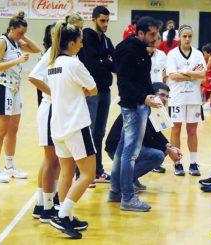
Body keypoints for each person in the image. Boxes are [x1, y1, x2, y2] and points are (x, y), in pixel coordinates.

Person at [29, 14, 85, 223]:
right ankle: (44, 205)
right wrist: (53, 92)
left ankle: (44, 203)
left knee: (57, 162)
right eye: (78, 29)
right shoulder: (53, 53)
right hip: (50, 108)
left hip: (60, 110)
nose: (81, 33)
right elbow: (33, 76)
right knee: (51, 160)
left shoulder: (71, 56)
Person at [46, 21, 97, 239]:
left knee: (67, 172)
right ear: (71, 42)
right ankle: (64, 215)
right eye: (79, 42)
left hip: (57, 126)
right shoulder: (74, 64)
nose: (82, 45)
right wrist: (82, 92)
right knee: (88, 173)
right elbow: (93, 89)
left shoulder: (53, 64)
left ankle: (64, 212)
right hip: (76, 125)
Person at [110, 16, 161, 212]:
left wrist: (151, 95)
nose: (155, 38)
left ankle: (115, 191)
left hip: (139, 105)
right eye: (152, 34)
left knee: (122, 152)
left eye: (156, 34)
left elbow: (143, 78)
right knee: (129, 155)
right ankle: (128, 197)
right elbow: (124, 84)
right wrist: (143, 98)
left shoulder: (141, 50)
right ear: (140, 33)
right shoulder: (129, 51)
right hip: (133, 107)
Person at [0, 11, 41, 183]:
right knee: (1, 130)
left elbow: (37, 49)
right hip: (3, 87)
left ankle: (9, 166)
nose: (22, 36)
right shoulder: (1, 42)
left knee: (13, 129)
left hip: (15, 88)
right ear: (11, 28)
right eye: (20, 32)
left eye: (24, 33)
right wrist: (16, 61)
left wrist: (23, 37)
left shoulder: (17, 42)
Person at [105, 82, 182, 187]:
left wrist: (170, 146)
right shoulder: (141, 108)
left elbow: (156, 133)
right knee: (158, 155)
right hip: (116, 149)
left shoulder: (153, 108)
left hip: (126, 147)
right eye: (162, 95)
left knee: (161, 150)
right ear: (152, 95)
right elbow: (147, 139)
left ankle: (130, 178)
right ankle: (122, 181)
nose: (165, 99)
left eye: (167, 96)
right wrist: (167, 150)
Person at [78, 6, 114, 186]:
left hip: (105, 91)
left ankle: (98, 170)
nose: (106, 24)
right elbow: (91, 65)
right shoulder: (86, 38)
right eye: (102, 21)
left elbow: (114, 64)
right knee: (88, 132)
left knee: (99, 132)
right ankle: (82, 171)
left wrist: (106, 62)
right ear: (93, 20)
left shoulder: (107, 41)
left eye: (107, 21)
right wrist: (105, 62)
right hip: (91, 92)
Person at [166, 24, 206, 176]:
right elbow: (172, 76)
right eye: (185, 36)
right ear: (179, 37)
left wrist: (183, 72)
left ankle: (194, 163)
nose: (187, 39)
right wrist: (192, 73)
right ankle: (177, 162)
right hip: (177, 97)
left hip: (194, 98)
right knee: (176, 129)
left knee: (192, 131)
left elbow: (202, 74)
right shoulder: (172, 54)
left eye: (190, 36)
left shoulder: (197, 54)